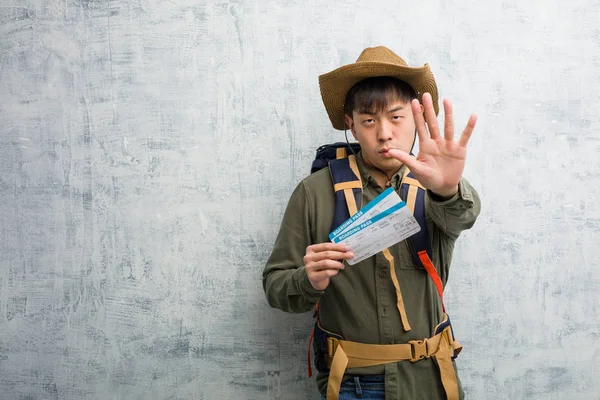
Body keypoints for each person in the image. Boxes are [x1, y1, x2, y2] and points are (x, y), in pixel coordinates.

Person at [262, 46, 481, 400]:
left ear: (418, 117)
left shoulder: (435, 184)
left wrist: (447, 187)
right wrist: (309, 280)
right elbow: (275, 285)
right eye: (368, 120)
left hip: (430, 378)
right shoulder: (314, 193)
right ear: (350, 123)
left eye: (396, 118)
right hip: (353, 383)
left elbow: (462, 216)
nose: (383, 133)